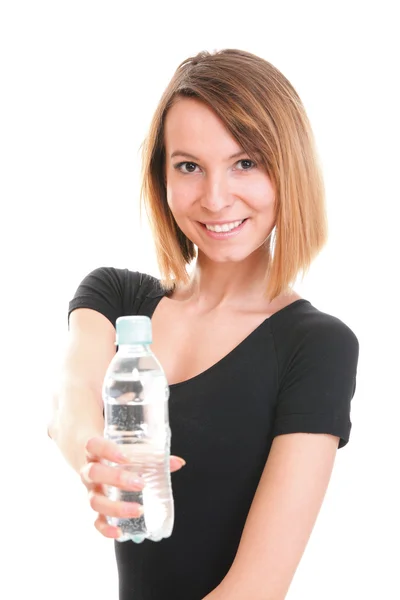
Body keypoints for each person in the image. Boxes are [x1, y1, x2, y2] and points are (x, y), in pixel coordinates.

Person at [48, 48, 360, 600]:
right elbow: (70, 405)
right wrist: (96, 462)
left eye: (246, 163)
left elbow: (257, 587)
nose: (216, 199)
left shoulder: (316, 346)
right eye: (188, 166)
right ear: (162, 177)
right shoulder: (116, 297)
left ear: (288, 168)